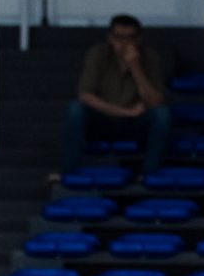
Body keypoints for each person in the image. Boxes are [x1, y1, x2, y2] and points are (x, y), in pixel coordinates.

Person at [63, 13, 172, 178]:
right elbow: (85, 95)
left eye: (130, 38)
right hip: (103, 120)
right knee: (75, 110)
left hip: (136, 124)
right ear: (110, 38)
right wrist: (126, 112)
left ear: (138, 40)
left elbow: (155, 101)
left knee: (162, 115)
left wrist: (135, 67)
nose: (124, 43)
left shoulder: (150, 58)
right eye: (119, 37)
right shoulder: (98, 54)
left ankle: (149, 174)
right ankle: (69, 173)